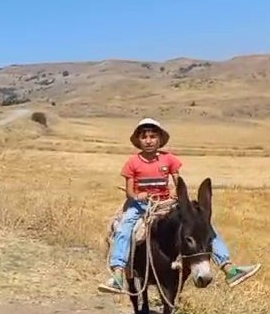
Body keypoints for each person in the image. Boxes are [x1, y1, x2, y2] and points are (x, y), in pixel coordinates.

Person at [98, 117, 261, 294]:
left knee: (204, 227)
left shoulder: (169, 159)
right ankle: (118, 272)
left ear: (160, 139)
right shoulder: (132, 162)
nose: (149, 140)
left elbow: (177, 182)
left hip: (166, 203)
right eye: (144, 137)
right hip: (140, 206)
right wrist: (139, 196)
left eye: (153, 136)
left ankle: (228, 268)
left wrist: (175, 193)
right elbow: (130, 192)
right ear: (138, 140)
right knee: (124, 228)